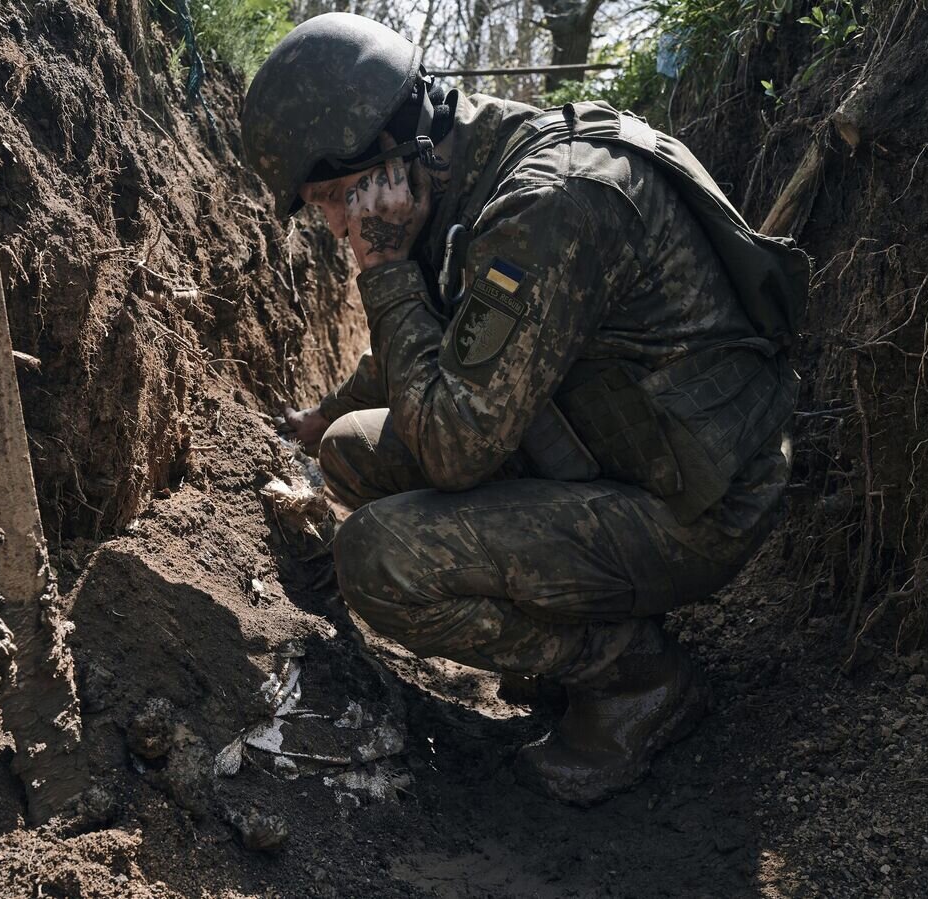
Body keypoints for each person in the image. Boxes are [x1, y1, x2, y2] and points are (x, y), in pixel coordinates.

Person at [241, 13, 807, 805]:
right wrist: (320, 411)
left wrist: (385, 268)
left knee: (377, 558)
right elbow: (452, 335)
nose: (339, 227)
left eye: (336, 199)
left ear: (389, 152)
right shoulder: (465, 167)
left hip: (695, 504)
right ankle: (557, 621)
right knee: (347, 445)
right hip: (617, 451)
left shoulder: (544, 208)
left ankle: (636, 680)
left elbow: (453, 450)